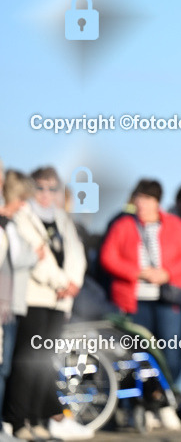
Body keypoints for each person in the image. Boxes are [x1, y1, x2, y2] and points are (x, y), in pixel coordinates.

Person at [99, 179, 181, 429]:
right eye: (139, 198)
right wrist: (136, 272)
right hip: (134, 301)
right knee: (139, 356)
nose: (141, 204)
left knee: (171, 354)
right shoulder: (122, 225)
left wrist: (167, 273)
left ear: (156, 202)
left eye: (147, 199)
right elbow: (108, 257)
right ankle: (144, 405)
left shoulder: (174, 225)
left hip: (167, 300)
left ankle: (164, 401)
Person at [6, 167, 92, 440]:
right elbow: (36, 257)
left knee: (44, 362)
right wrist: (61, 282)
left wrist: (74, 283)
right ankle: (17, 420)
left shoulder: (62, 220)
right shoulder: (22, 217)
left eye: (52, 188)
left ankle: (37, 418)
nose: (46, 194)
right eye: (40, 188)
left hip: (60, 302)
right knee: (26, 361)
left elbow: (77, 254)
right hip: (35, 298)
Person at [0, 172, 41, 420]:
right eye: (22, 199)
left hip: (10, 303)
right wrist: (36, 254)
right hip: (5, 304)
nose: (24, 205)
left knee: (5, 368)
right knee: (3, 368)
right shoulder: (7, 225)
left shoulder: (11, 223)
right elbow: (16, 257)